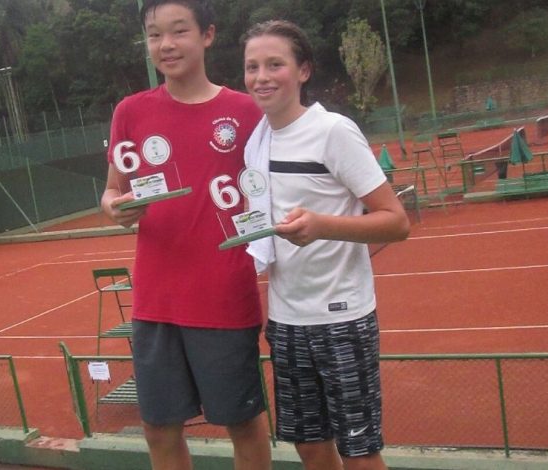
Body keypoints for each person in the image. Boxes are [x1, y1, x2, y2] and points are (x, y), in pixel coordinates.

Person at [100, 1, 271, 469]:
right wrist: (115, 207)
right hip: (156, 300)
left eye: (179, 32)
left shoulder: (246, 111)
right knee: (158, 428)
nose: (166, 45)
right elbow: (112, 190)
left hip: (224, 295)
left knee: (243, 424)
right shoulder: (130, 111)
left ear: (207, 34)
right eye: (155, 35)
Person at [242, 20, 411, 470]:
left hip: (342, 319)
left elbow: (396, 221)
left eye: (275, 64)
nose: (261, 77)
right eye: (252, 67)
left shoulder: (333, 131)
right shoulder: (256, 141)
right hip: (285, 320)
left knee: (360, 452)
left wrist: (322, 226)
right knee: (310, 447)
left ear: (303, 71)